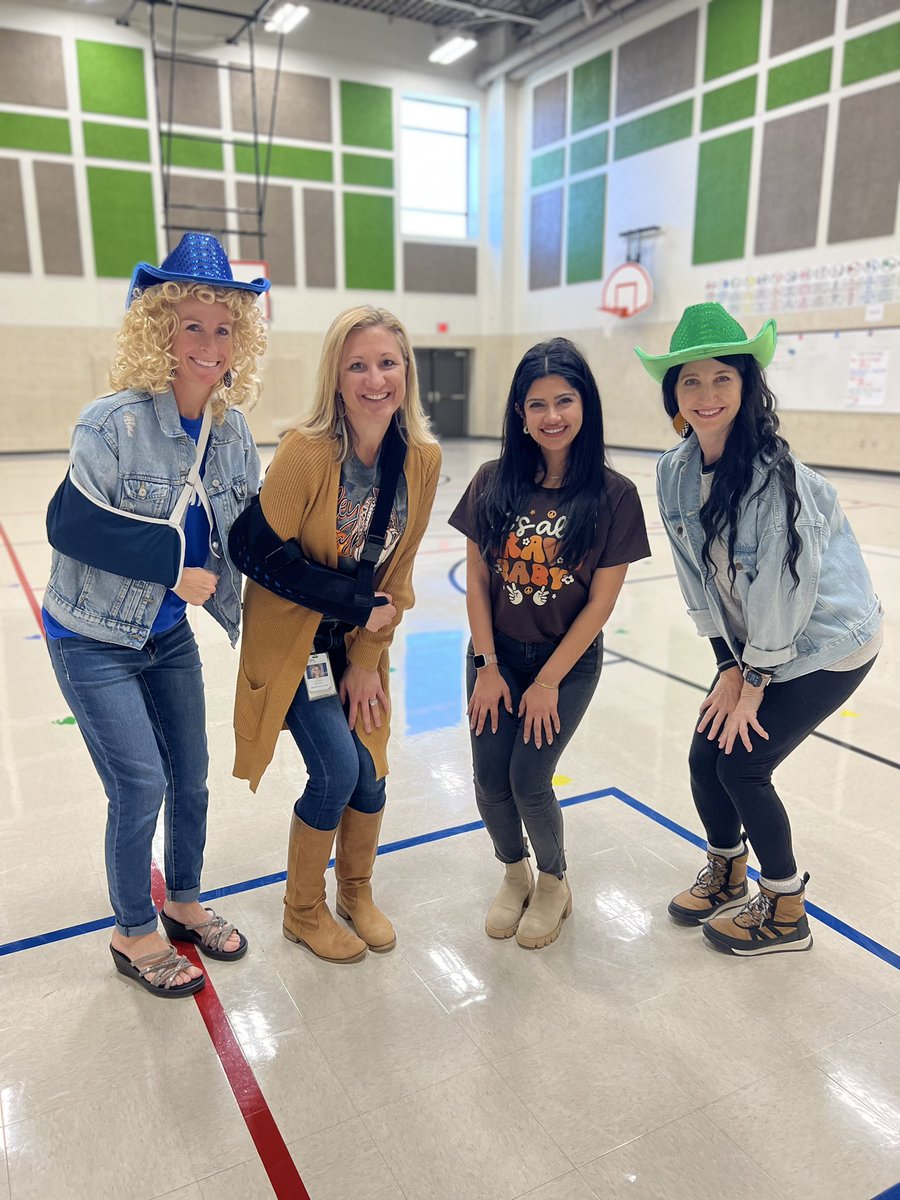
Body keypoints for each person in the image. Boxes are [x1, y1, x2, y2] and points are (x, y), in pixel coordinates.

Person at [43, 233, 268, 996]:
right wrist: (176, 570)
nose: (209, 344)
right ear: (161, 331)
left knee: (192, 780)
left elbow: (252, 538)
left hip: (166, 638)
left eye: (223, 327)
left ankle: (184, 901)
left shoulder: (233, 432)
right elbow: (70, 526)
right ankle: (132, 930)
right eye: (192, 326)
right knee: (140, 784)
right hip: (91, 638)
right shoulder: (111, 422)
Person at [636, 302, 883, 956]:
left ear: (747, 386)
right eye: (690, 381)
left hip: (828, 643)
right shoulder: (674, 472)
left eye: (722, 378)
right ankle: (727, 870)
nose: (706, 394)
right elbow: (697, 580)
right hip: (755, 648)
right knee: (702, 755)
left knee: (742, 766)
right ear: (674, 394)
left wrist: (751, 684)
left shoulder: (774, 479)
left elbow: (783, 595)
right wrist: (726, 665)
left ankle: (784, 907)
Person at [233, 305, 441, 963]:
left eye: (387, 362)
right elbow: (257, 553)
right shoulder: (308, 451)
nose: (374, 378)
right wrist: (353, 602)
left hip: (354, 652)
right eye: (358, 364)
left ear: (406, 371)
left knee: (372, 775)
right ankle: (302, 910)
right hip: (297, 646)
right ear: (336, 376)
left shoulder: (422, 460)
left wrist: (367, 657)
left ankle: (355, 890)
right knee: (335, 772)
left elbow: (399, 575)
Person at [448, 338, 651, 949]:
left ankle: (555, 883)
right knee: (489, 781)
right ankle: (514, 874)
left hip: (565, 664)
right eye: (537, 404)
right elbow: (478, 579)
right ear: (519, 412)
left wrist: (545, 683)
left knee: (530, 778)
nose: (552, 416)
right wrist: (488, 665)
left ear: (585, 404)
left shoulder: (614, 495)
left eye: (565, 400)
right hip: (496, 657)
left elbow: (600, 604)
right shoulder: (492, 481)